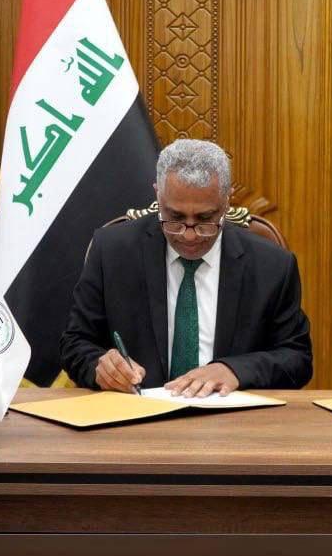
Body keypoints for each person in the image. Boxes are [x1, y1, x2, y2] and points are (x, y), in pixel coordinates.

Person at [60, 139, 312, 397]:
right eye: (175, 218)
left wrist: (234, 370)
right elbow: (75, 343)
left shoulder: (271, 265)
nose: (189, 235)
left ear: (227, 201)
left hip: (230, 415)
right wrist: (102, 368)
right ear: (158, 195)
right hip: (136, 412)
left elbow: (297, 358)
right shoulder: (112, 251)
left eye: (205, 219)